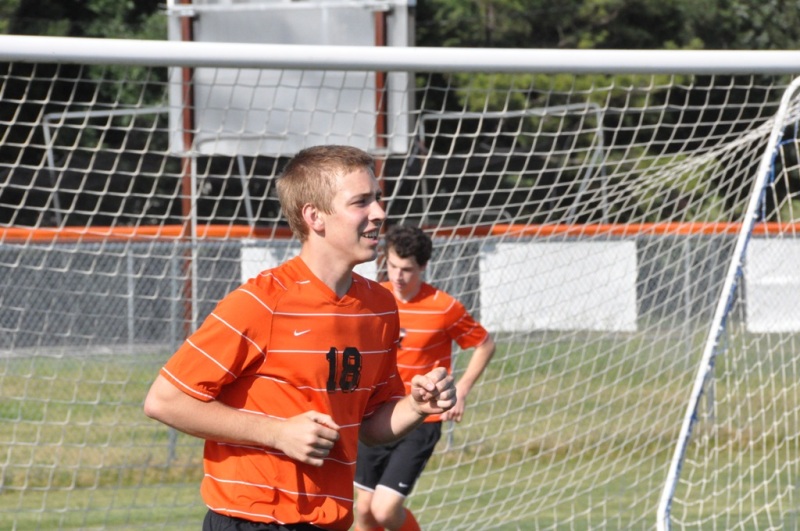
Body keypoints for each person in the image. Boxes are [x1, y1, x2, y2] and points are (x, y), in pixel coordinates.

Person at [142, 145, 456, 531]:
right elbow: (165, 400)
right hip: (251, 521)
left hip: (328, 523)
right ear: (314, 216)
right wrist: (277, 433)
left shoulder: (380, 308)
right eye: (361, 202)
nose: (378, 212)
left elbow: (370, 426)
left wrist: (416, 405)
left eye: (376, 198)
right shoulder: (262, 302)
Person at [353, 225, 496, 531]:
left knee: (384, 510)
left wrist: (462, 388)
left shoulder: (444, 307)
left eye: (406, 269)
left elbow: (484, 344)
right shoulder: (372, 298)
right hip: (377, 413)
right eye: (392, 266)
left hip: (421, 420)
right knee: (363, 510)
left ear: (423, 267)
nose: (398, 275)